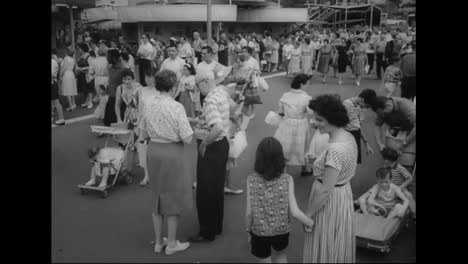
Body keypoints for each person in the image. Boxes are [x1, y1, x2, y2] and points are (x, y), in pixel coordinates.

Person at [139, 69, 194, 255]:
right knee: (172, 196)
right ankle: (171, 243)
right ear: (173, 86)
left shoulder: (148, 104)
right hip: (171, 153)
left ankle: (157, 242)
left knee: (157, 195)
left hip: (153, 150)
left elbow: (143, 133)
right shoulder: (176, 106)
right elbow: (187, 138)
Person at [303, 94, 357, 263]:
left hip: (329, 200)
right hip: (343, 194)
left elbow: (326, 189)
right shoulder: (348, 136)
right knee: (336, 241)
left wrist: (308, 215)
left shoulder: (335, 149)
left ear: (332, 119)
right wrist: (319, 161)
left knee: (324, 241)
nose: (313, 122)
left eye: (319, 119)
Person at [246, 137, 314, 263]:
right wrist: (309, 222)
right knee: (281, 255)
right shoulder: (287, 179)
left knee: (264, 259)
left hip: (259, 231)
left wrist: (248, 231)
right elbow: (295, 211)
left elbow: (249, 212)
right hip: (281, 230)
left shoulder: (251, 180)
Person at [189, 70, 231, 243]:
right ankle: (216, 226)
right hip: (221, 146)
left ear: (205, 82)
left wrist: (205, 143)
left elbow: (217, 127)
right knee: (216, 187)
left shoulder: (211, 100)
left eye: (198, 86)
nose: (199, 91)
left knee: (205, 190)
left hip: (212, 147)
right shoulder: (221, 92)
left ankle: (207, 231)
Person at [274, 74, 313, 176]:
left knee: (284, 146)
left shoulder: (285, 95)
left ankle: (283, 170)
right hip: (301, 123)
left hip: (286, 122)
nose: (309, 85)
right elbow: (311, 112)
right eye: (308, 83)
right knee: (303, 145)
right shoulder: (307, 98)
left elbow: (280, 111)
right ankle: (305, 168)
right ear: (301, 84)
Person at [367, 96, 416, 169]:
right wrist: (379, 143)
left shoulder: (406, 107)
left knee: (408, 159)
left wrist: (404, 144)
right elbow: (377, 126)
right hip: (400, 130)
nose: (382, 115)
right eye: (379, 113)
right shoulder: (383, 109)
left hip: (412, 131)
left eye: (382, 113)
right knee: (394, 158)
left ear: (387, 106)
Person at [137, 68, 159, 186]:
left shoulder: (161, 90)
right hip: (145, 123)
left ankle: (159, 173)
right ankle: (147, 175)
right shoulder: (142, 90)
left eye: (150, 76)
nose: (147, 79)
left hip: (158, 123)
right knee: (144, 149)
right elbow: (140, 108)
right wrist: (139, 124)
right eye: (146, 76)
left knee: (158, 149)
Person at [343, 89, 376, 164]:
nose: (366, 108)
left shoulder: (361, 108)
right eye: (367, 106)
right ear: (363, 99)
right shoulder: (346, 104)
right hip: (345, 135)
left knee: (353, 162)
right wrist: (355, 113)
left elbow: (360, 126)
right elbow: (341, 122)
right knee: (344, 162)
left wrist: (366, 143)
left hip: (356, 135)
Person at [104, 49, 125, 126]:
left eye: (108, 56)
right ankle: (109, 128)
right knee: (109, 114)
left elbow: (124, 84)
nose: (106, 58)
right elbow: (110, 79)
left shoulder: (122, 69)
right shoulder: (111, 67)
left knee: (116, 114)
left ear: (114, 58)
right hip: (111, 94)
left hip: (118, 96)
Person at [75, 43, 93, 108]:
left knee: (89, 89)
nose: (78, 50)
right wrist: (77, 68)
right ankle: (86, 101)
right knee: (84, 89)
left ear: (82, 49)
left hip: (86, 74)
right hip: (81, 75)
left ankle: (90, 102)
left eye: (79, 48)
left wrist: (82, 68)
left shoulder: (88, 56)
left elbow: (91, 66)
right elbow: (77, 64)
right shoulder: (80, 56)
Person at [60, 47, 78, 111]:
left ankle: (70, 106)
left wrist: (60, 75)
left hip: (67, 74)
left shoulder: (66, 58)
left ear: (67, 52)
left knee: (67, 90)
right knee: (72, 89)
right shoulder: (73, 59)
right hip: (71, 74)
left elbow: (63, 68)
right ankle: (73, 104)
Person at [51, 50, 65, 125]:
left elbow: (52, 73)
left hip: (53, 83)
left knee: (56, 101)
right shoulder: (54, 61)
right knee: (53, 102)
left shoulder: (53, 61)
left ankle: (61, 118)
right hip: (53, 83)